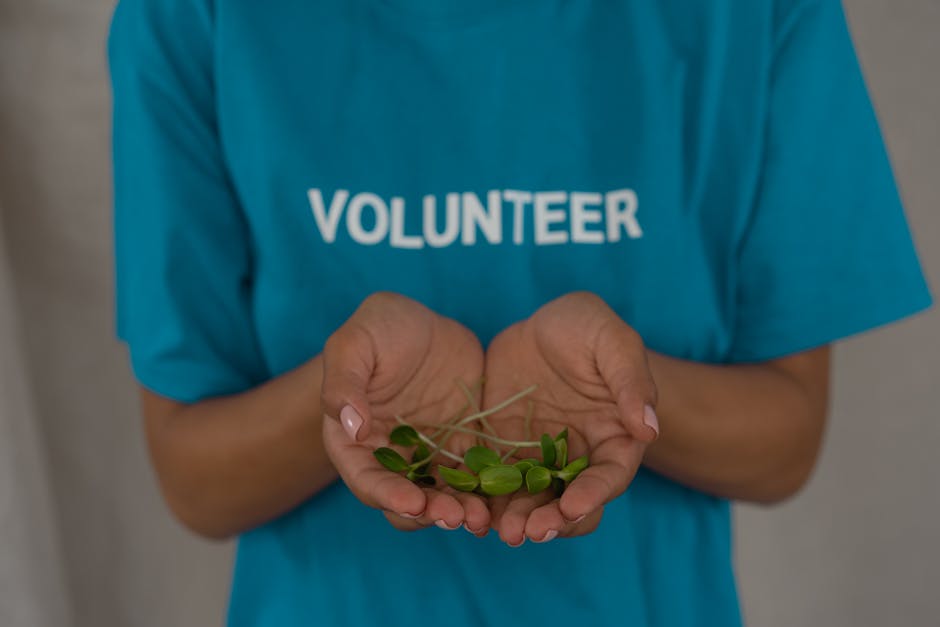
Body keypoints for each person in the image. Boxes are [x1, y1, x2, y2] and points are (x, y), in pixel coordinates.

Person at [108, 0, 931, 625]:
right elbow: (196, 479)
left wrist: (625, 391)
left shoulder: (755, 16)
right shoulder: (193, 17)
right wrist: (350, 397)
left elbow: (784, 442)